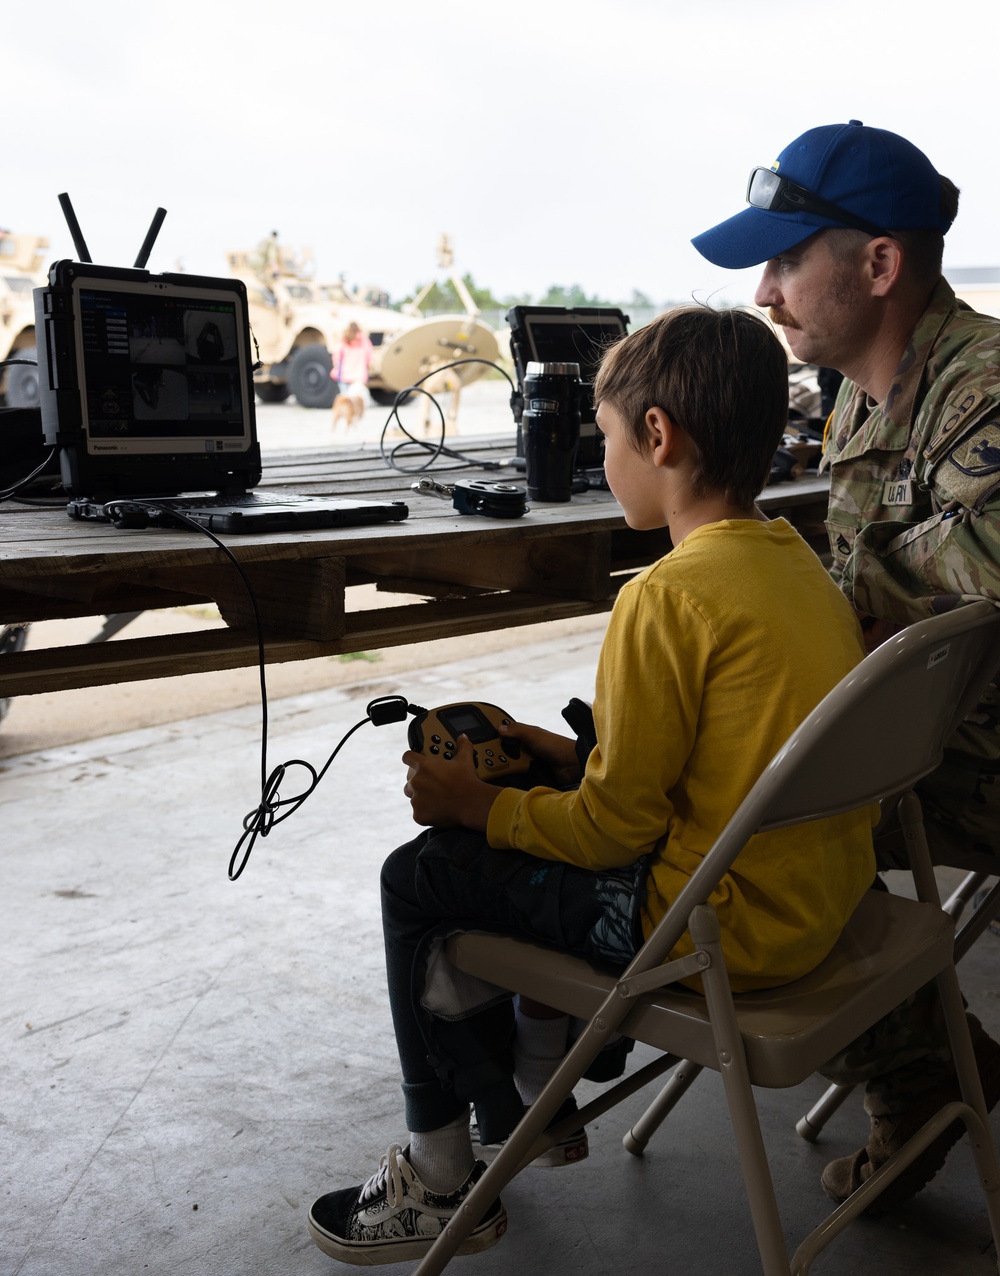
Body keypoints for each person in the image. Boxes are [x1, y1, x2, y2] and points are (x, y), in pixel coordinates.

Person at [306, 305, 877, 1266]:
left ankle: (444, 1173)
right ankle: (536, 1094)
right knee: (506, 834)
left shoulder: (663, 597)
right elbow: (707, 767)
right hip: (811, 901)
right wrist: (562, 756)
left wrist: (478, 805)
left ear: (658, 436)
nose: (598, 458)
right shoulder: (795, 564)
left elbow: (615, 831)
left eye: (602, 437)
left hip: (713, 933)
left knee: (422, 876)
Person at [692, 118, 1000, 1211]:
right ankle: (934, 1059)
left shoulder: (986, 391)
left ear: (878, 265)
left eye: (784, 261)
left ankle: (917, 1077)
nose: (764, 293)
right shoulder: (861, 394)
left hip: (975, 756)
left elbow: (945, 617)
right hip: (928, 739)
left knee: (723, 826)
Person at [331, 321, 374, 430]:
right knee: (357, 403)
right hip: (359, 376)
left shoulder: (344, 341)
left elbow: (336, 356)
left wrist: (336, 367)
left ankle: (344, 423)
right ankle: (353, 423)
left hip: (345, 375)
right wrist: (367, 367)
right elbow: (369, 357)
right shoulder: (364, 341)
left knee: (345, 402)